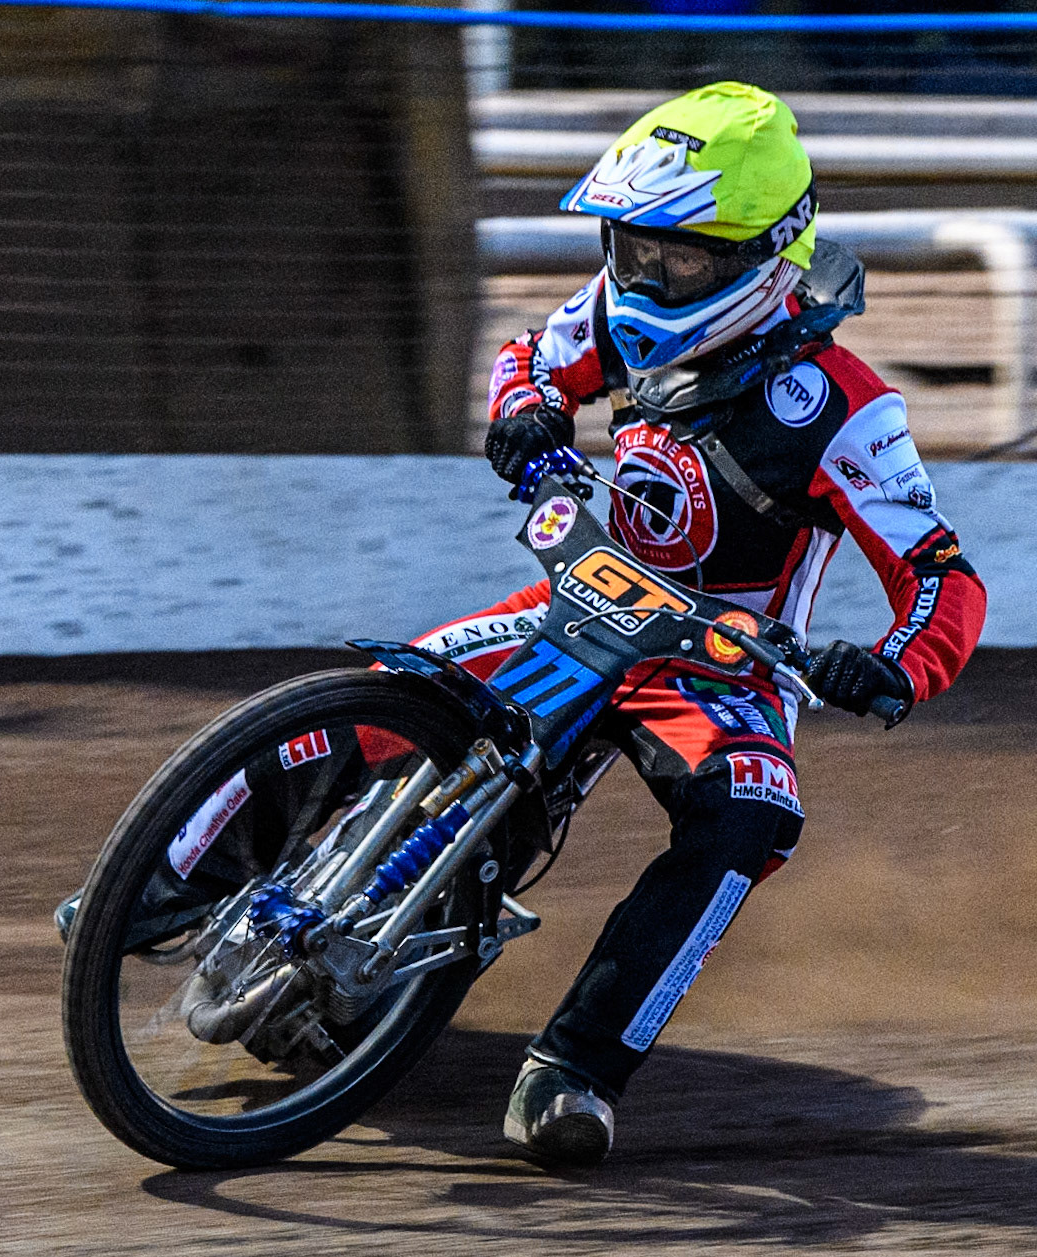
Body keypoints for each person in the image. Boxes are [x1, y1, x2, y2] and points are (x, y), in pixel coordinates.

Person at [412, 81, 986, 1166]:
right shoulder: (616, 306)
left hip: (716, 666)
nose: (640, 273)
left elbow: (940, 575)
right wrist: (524, 410)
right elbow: (529, 357)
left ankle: (574, 1072)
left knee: (752, 813)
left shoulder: (843, 404)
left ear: (760, 254)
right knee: (404, 688)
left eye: (674, 255)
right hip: (576, 601)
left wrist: (894, 670)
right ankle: (178, 876)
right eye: (628, 244)